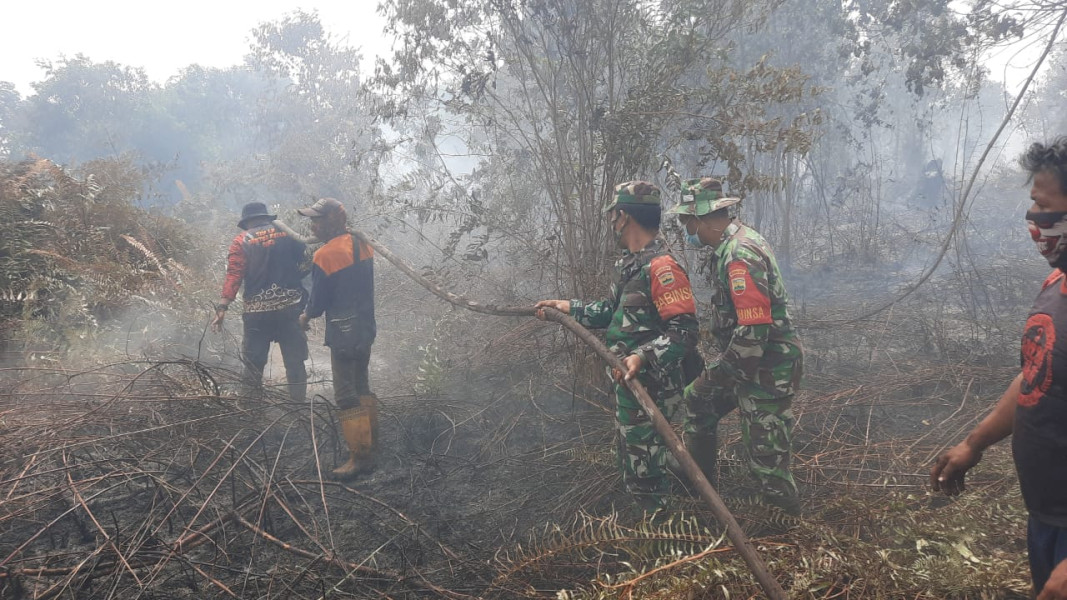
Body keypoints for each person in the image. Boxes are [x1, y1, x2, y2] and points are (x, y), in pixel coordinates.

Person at [931, 139, 1067, 599]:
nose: (1034, 220)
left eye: (1043, 206)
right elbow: (1037, 377)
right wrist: (975, 442)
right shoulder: (1056, 285)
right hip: (1048, 516)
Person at [535, 181, 699, 510]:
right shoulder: (630, 265)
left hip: (650, 392)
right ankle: (650, 534)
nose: (611, 223)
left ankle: (662, 544)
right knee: (633, 469)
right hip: (628, 389)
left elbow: (685, 331)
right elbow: (611, 312)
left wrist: (642, 356)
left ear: (624, 217)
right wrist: (565, 306)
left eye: (613, 216)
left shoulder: (663, 268)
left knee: (647, 477)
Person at [669, 177, 804, 515]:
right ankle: (701, 494)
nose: (686, 229)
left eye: (687, 221)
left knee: (767, 463)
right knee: (697, 401)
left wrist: (721, 374)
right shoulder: (729, 248)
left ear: (701, 218)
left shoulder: (740, 254)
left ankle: (786, 535)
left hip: (768, 371)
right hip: (750, 364)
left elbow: (754, 331)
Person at [297, 197, 379, 480]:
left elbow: (318, 302)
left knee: (346, 394)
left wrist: (305, 316)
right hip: (366, 326)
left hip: (343, 330)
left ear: (332, 220)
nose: (313, 225)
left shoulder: (325, 255)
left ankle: (360, 458)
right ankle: (372, 448)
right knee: (362, 386)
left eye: (317, 220)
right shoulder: (363, 244)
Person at [212, 201, 308, 403]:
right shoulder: (287, 233)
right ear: (266, 217)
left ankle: (251, 412)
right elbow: (307, 260)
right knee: (295, 362)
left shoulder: (241, 240)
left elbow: (234, 275)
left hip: (257, 313)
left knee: (253, 365)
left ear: (247, 222)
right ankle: (299, 409)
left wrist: (223, 306)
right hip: (290, 309)